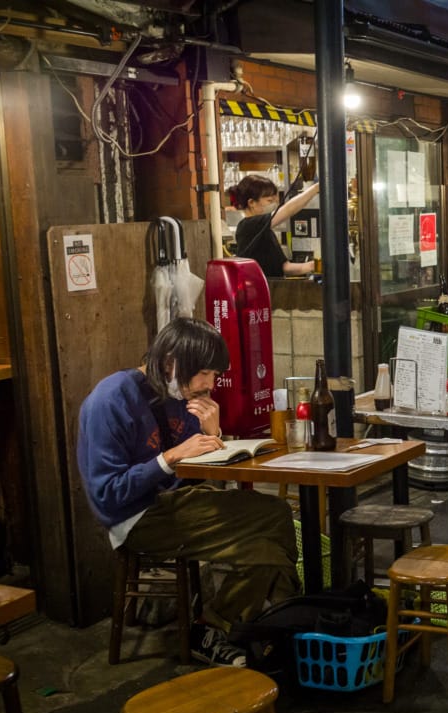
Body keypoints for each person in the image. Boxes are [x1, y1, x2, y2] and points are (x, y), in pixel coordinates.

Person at [77, 318, 300, 667]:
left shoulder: (181, 394)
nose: (211, 384)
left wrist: (216, 434)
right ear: (170, 363)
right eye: (205, 374)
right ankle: (276, 618)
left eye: (214, 375)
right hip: (136, 518)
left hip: (177, 503)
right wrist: (170, 457)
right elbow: (107, 494)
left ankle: (218, 628)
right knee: (273, 516)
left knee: (269, 538)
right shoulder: (111, 399)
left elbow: (197, 473)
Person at [230, 174, 321, 278]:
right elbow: (288, 210)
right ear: (252, 202)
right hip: (258, 290)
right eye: (270, 200)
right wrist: (316, 188)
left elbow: (285, 267)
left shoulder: (264, 230)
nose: (275, 205)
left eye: (275, 200)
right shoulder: (248, 226)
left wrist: (314, 265)